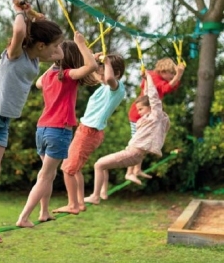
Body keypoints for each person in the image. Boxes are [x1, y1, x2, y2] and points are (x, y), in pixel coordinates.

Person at [0, 0, 64, 243]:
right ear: (40, 44)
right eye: (53, 44)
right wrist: (21, 12)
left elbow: (59, 53)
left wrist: (37, 19)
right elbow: (18, 31)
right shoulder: (14, 55)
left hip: (2, 120)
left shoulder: (36, 59)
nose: (57, 50)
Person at [16, 31, 98, 228]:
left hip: (42, 130)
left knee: (48, 175)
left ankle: (43, 212)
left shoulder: (49, 77)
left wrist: (55, 64)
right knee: (46, 176)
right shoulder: (68, 75)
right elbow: (92, 66)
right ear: (74, 59)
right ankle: (24, 217)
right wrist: (81, 43)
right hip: (58, 131)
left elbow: (37, 83)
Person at [51, 52, 126, 215]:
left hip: (89, 132)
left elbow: (110, 78)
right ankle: (79, 203)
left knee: (68, 169)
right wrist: (92, 57)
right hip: (84, 130)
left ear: (117, 73)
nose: (99, 75)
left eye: (103, 72)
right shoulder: (104, 87)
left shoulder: (116, 88)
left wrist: (106, 62)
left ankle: (73, 205)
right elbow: (91, 71)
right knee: (74, 168)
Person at [99, 57, 185, 196]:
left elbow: (172, 86)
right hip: (139, 115)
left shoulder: (155, 77)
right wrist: (179, 74)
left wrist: (177, 75)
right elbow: (167, 88)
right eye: (171, 74)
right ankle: (129, 172)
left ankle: (136, 170)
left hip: (146, 115)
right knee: (137, 144)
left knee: (143, 144)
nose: (172, 77)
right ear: (164, 70)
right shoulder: (154, 77)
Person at [84, 71, 170, 204]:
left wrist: (149, 78)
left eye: (141, 109)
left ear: (150, 108)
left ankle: (95, 196)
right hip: (133, 154)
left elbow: (153, 97)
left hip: (133, 153)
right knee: (103, 165)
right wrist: (146, 82)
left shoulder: (155, 116)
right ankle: (102, 193)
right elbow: (147, 95)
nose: (139, 112)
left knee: (99, 164)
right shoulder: (150, 118)